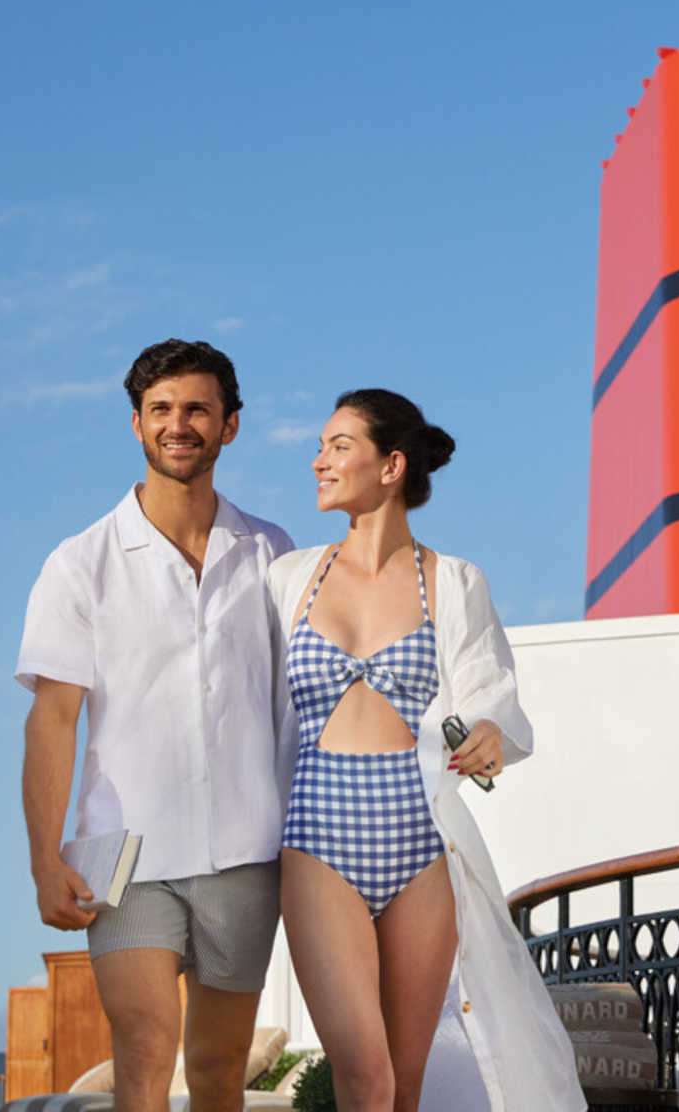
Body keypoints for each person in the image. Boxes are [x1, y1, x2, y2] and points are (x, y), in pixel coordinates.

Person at [270, 389, 585, 1112]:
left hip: (420, 841)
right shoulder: (289, 578)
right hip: (316, 837)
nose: (319, 461)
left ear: (391, 466)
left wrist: (488, 734)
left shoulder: (454, 581)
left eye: (339, 445)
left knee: (405, 1086)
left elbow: (489, 693)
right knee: (366, 1077)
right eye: (320, 446)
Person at [17, 339, 294, 1112]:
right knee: (142, 1048)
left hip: (247, 849)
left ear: (229, 425)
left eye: (198, 409)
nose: (179, 424)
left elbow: (299, 706)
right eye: (161, 409)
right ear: (136, 423)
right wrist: (43, 860)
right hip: (125, 854)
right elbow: (52, 721)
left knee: (218, 1065)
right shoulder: (80, 563)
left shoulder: (272, 553)